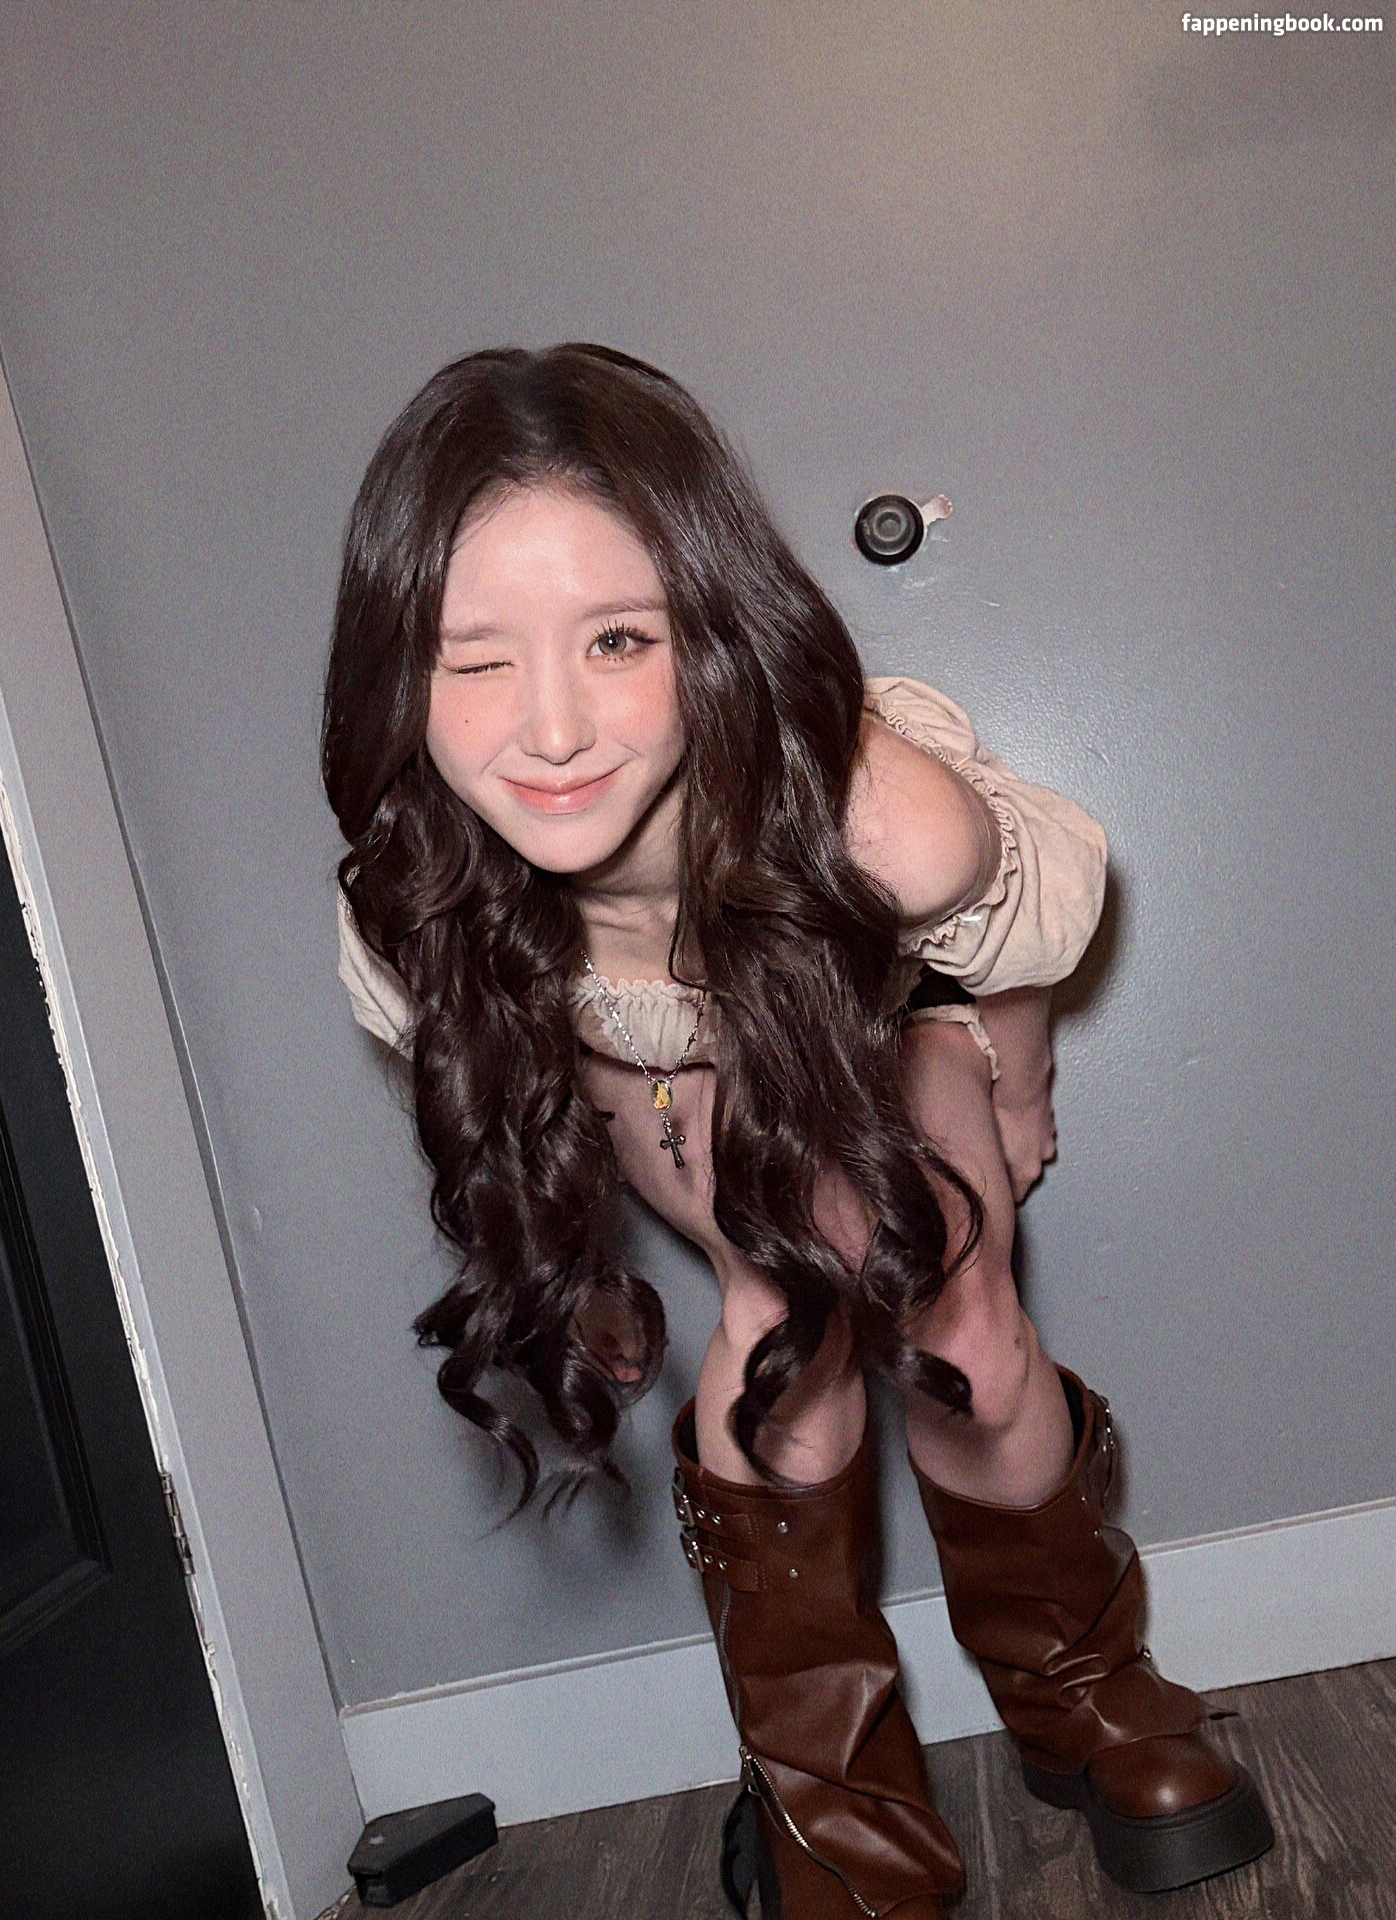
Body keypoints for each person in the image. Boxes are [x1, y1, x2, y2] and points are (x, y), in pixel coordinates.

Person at [323, 344, 1272, 1918]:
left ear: (709, 626)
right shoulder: (413, 898)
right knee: (785, 1331)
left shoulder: (878, 820)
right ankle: (841, 1820)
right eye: (470, 658)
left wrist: (1020, 1083)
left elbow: (1018, 938)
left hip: (869, 997)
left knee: (959, 1317)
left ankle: (1082, 1694)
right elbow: (504, 1087)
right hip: (649, 1044)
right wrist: (580, 1261)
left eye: (618, 639)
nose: (549, 729)